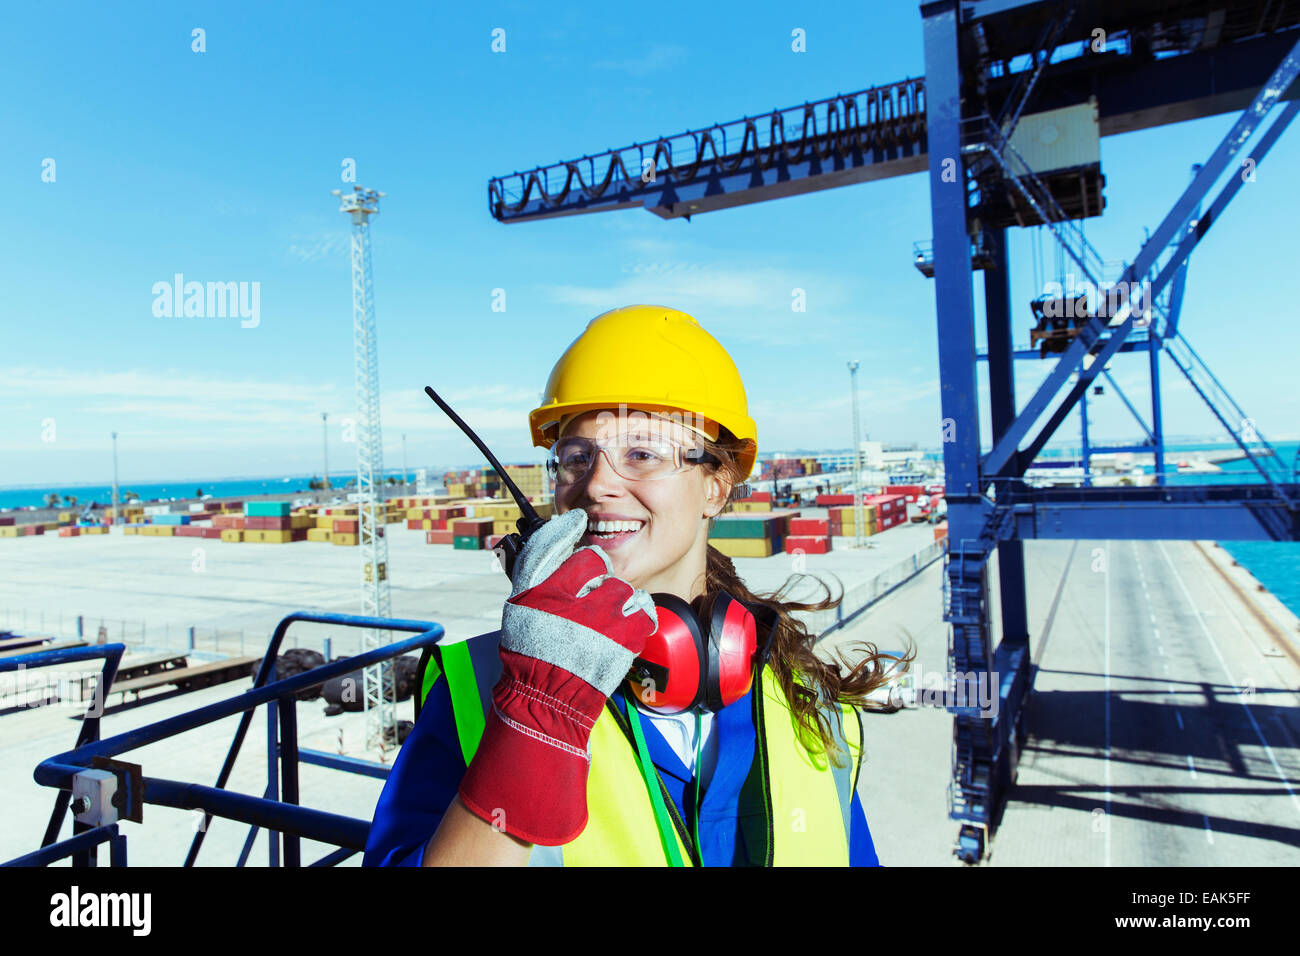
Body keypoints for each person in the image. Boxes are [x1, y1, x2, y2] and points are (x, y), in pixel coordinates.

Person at [364, 304, 910, 866]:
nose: (598, 485)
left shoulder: (811, 709)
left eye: (643, 454)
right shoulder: (476, 692)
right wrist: (532, 717)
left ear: (717, 487)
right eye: (576, 459)